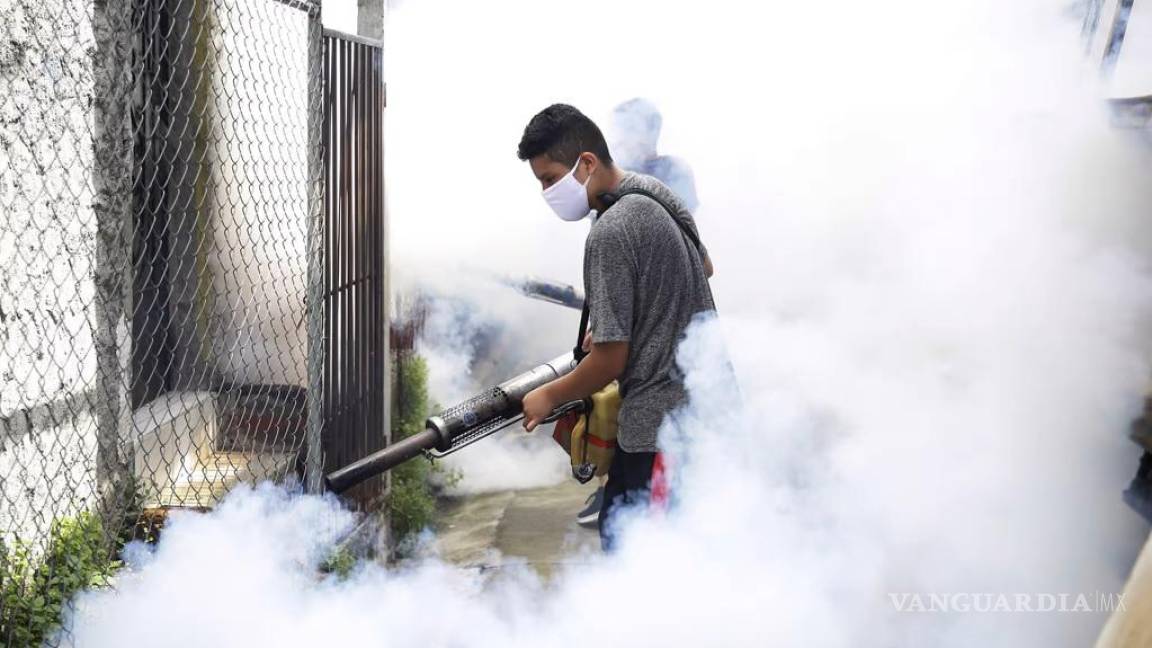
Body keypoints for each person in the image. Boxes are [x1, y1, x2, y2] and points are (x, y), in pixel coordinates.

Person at [516, 104, 715, 551]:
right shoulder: (654, 192)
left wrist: (549, 395)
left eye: (549, 179)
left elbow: (611, 359)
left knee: (639, 553)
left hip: (662, 427)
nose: (547, 192)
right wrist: (628, 315)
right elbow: (704, 266)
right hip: (704, 414)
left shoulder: (610, 230)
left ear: (586, 163)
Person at [572, 98, 701, 527]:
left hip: (664, 360)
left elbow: (687, 257)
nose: (625, 138)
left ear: (651, 133)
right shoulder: (609, 189)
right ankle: (609, 485)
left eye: (632, 129)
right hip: (628, 328)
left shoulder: (665, 179)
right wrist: (604, 320)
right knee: (611, 409)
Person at [609, 97, 699, 211]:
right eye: (617, 128)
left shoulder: (674, 170)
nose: (620, 138)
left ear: (652, 132)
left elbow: (687, 219)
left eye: (630, 128)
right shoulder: (614, 174)